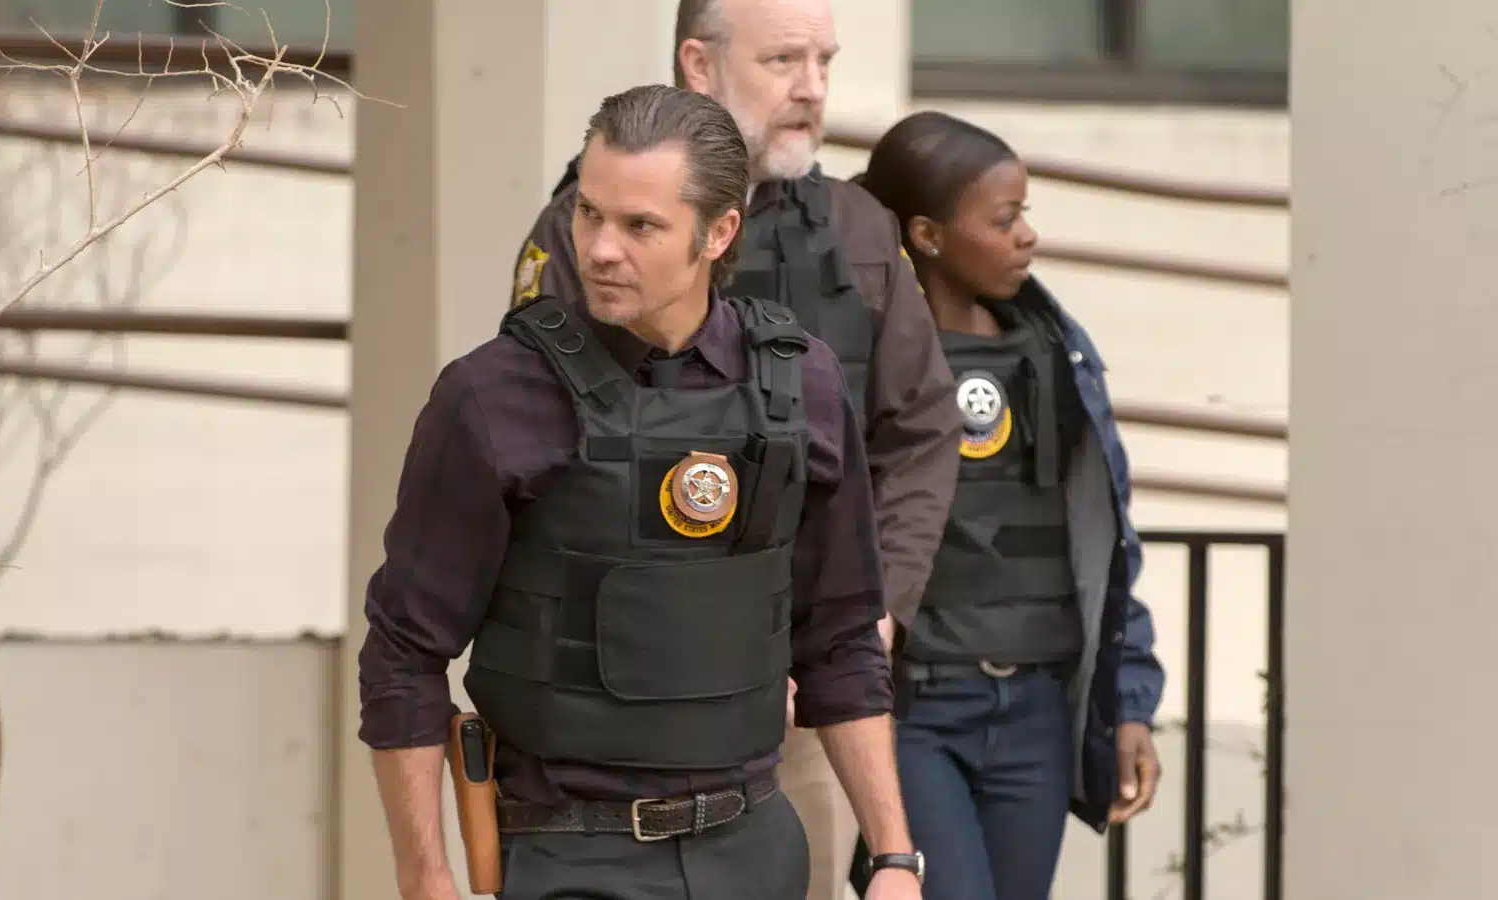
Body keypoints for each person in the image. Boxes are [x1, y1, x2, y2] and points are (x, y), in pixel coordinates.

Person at [359, 84, 924, 900]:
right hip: (573, 856)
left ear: (717, 233)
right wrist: (425, 877)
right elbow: (405, 649)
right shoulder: (491, 396)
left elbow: (841, 641)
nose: (599, 249)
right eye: (589, 214)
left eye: (640, 226)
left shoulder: (805, 384)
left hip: (756, 851)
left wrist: (895, 858)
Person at [510, 3, 961, 896]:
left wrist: (874, 615)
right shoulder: (591, 235)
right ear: (699, 63)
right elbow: (557, 461)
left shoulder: (859, 232)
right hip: (626, 714)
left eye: (824, 60)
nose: (813, 88)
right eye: (783, 59)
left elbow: (920, 430)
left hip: (808, 712)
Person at [844, 110, 1167, 900]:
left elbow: (1104, 543)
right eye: (1004, 218)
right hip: (913, 710)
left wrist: (1129, 702)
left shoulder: (1054, 350)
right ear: (927, 234)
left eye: (1026, 213)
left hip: (1037, 711)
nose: (1028, 236)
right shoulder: (861, 357)